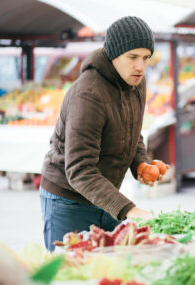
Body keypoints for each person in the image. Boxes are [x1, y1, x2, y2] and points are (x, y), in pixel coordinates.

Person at [40, 16, 166, 251]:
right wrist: (129, 209)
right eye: (133, 57)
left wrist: (140, 164)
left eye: (146, 58)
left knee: (108, 268)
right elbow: (79, 169)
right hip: (69, 200)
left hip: (105, 196)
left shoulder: (136, 82)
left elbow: (132, 128)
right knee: (70, 272)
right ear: (114, 54)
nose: (140, 66)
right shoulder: (89, 94)